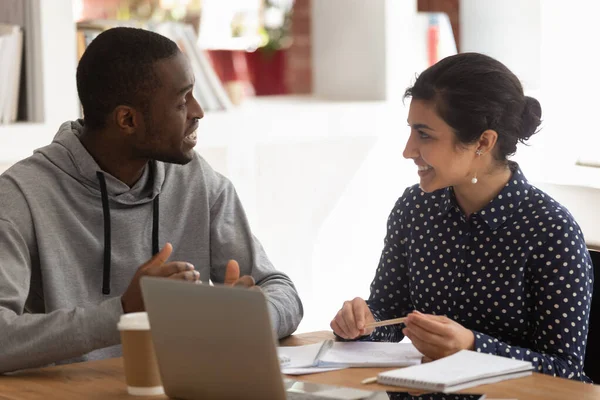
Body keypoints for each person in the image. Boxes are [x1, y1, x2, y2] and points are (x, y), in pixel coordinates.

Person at [0, 27, 303, 373]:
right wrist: (124, 312)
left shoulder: (199, 182)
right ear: (127, 119)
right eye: (181, 100)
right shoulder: (20, 197)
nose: (199, 111)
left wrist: (252, 314)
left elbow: (282, 291)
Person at [330, 52, 593, 382]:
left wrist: (472, 346)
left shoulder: (551, 230)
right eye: (411, 131)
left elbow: (566, 370)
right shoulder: (414, 209)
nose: (408, 150)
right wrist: (361, 323)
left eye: (424, 134)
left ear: (483, 142)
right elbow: (390, 315)